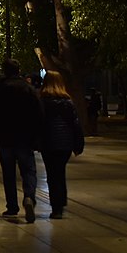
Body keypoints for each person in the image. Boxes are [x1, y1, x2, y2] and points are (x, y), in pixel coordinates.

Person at [0, 58, 43, 223]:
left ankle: (12, 206)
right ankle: (29, 196)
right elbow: (38, 113)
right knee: (28, 170)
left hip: (5, 138)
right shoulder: (28, 89)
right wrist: (35, 134)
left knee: (8, 173)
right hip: (24, 137)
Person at [40, 70, 84, 219]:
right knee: (60, 172)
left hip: (48, 142)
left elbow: (39, 123)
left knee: (52, 174)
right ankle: (61, 202)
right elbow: (75, 124)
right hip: (65, 143)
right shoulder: (68, 102)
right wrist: (78, 144)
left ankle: (56, 206)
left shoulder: (43, 101)